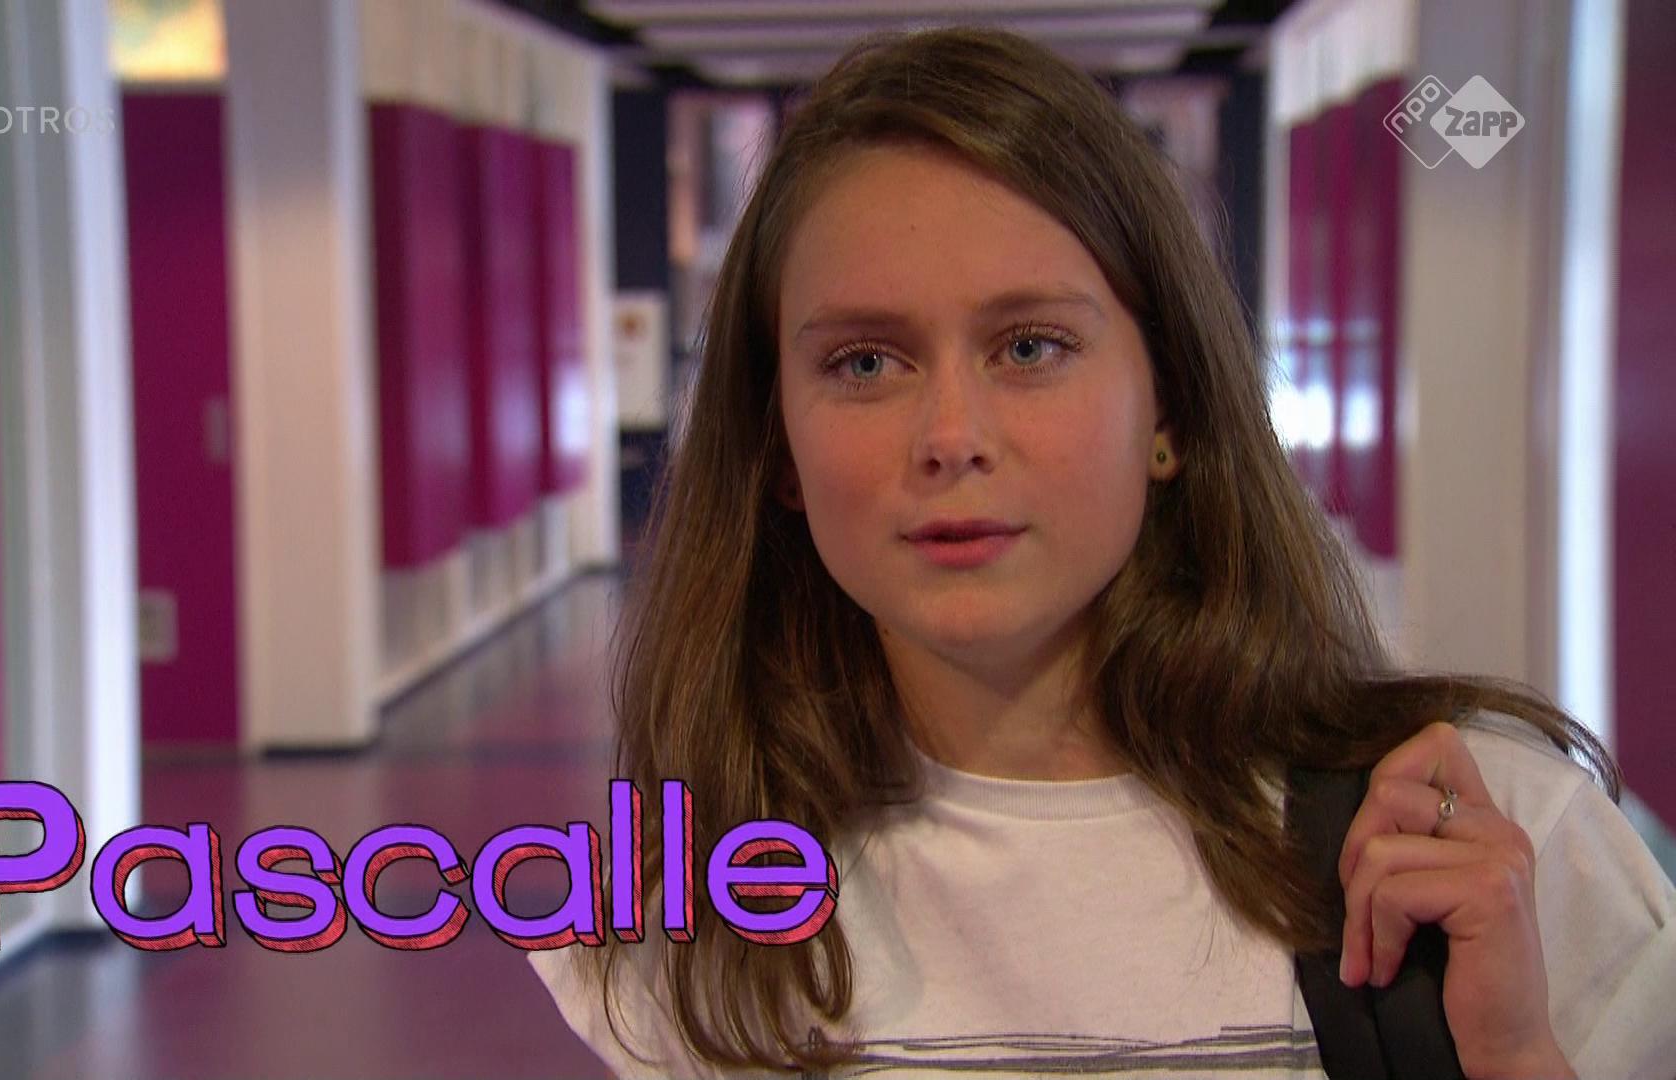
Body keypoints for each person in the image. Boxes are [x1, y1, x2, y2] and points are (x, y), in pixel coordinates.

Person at [529, 26, 1676, 1080]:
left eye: (1031, 346)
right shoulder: (684, 918)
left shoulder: (1492, 846)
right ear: (777, 440)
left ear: (1166, 405)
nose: (951, 437)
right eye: (865, 363)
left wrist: (1517, 1057)